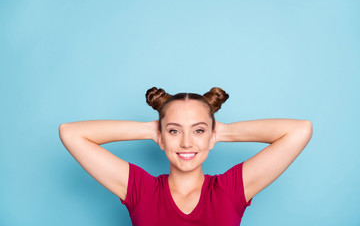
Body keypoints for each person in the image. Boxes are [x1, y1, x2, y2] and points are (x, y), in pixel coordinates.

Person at [58, 87, 313, 226]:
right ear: (161, 136)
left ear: (211, 135)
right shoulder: (140, 189)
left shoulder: (231, 189)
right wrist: (151, 129)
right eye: (174, 131)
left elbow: (300, 130)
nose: (187, 142)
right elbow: (70, 133)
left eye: (199, 131)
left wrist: (222, 132)